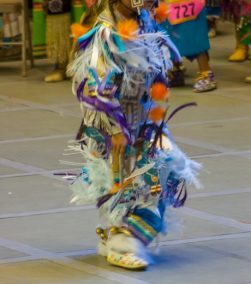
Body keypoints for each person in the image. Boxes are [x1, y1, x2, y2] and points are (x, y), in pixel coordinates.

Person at [67, 0, 201, 270]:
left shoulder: (144, 17)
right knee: (124, 182)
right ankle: (122, 240)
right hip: (116, 122)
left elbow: (155, 60)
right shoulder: (105, 29)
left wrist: (157, 98)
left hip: (145, 117)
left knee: (161, 170)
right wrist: (115, 128)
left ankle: (125, 237)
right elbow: (93, 83)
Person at [161, 0, 217, 92]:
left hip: (191, 4)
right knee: (169, 36)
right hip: (168, 5)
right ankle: (175, 71)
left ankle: (206, 74)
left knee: (194, 35)